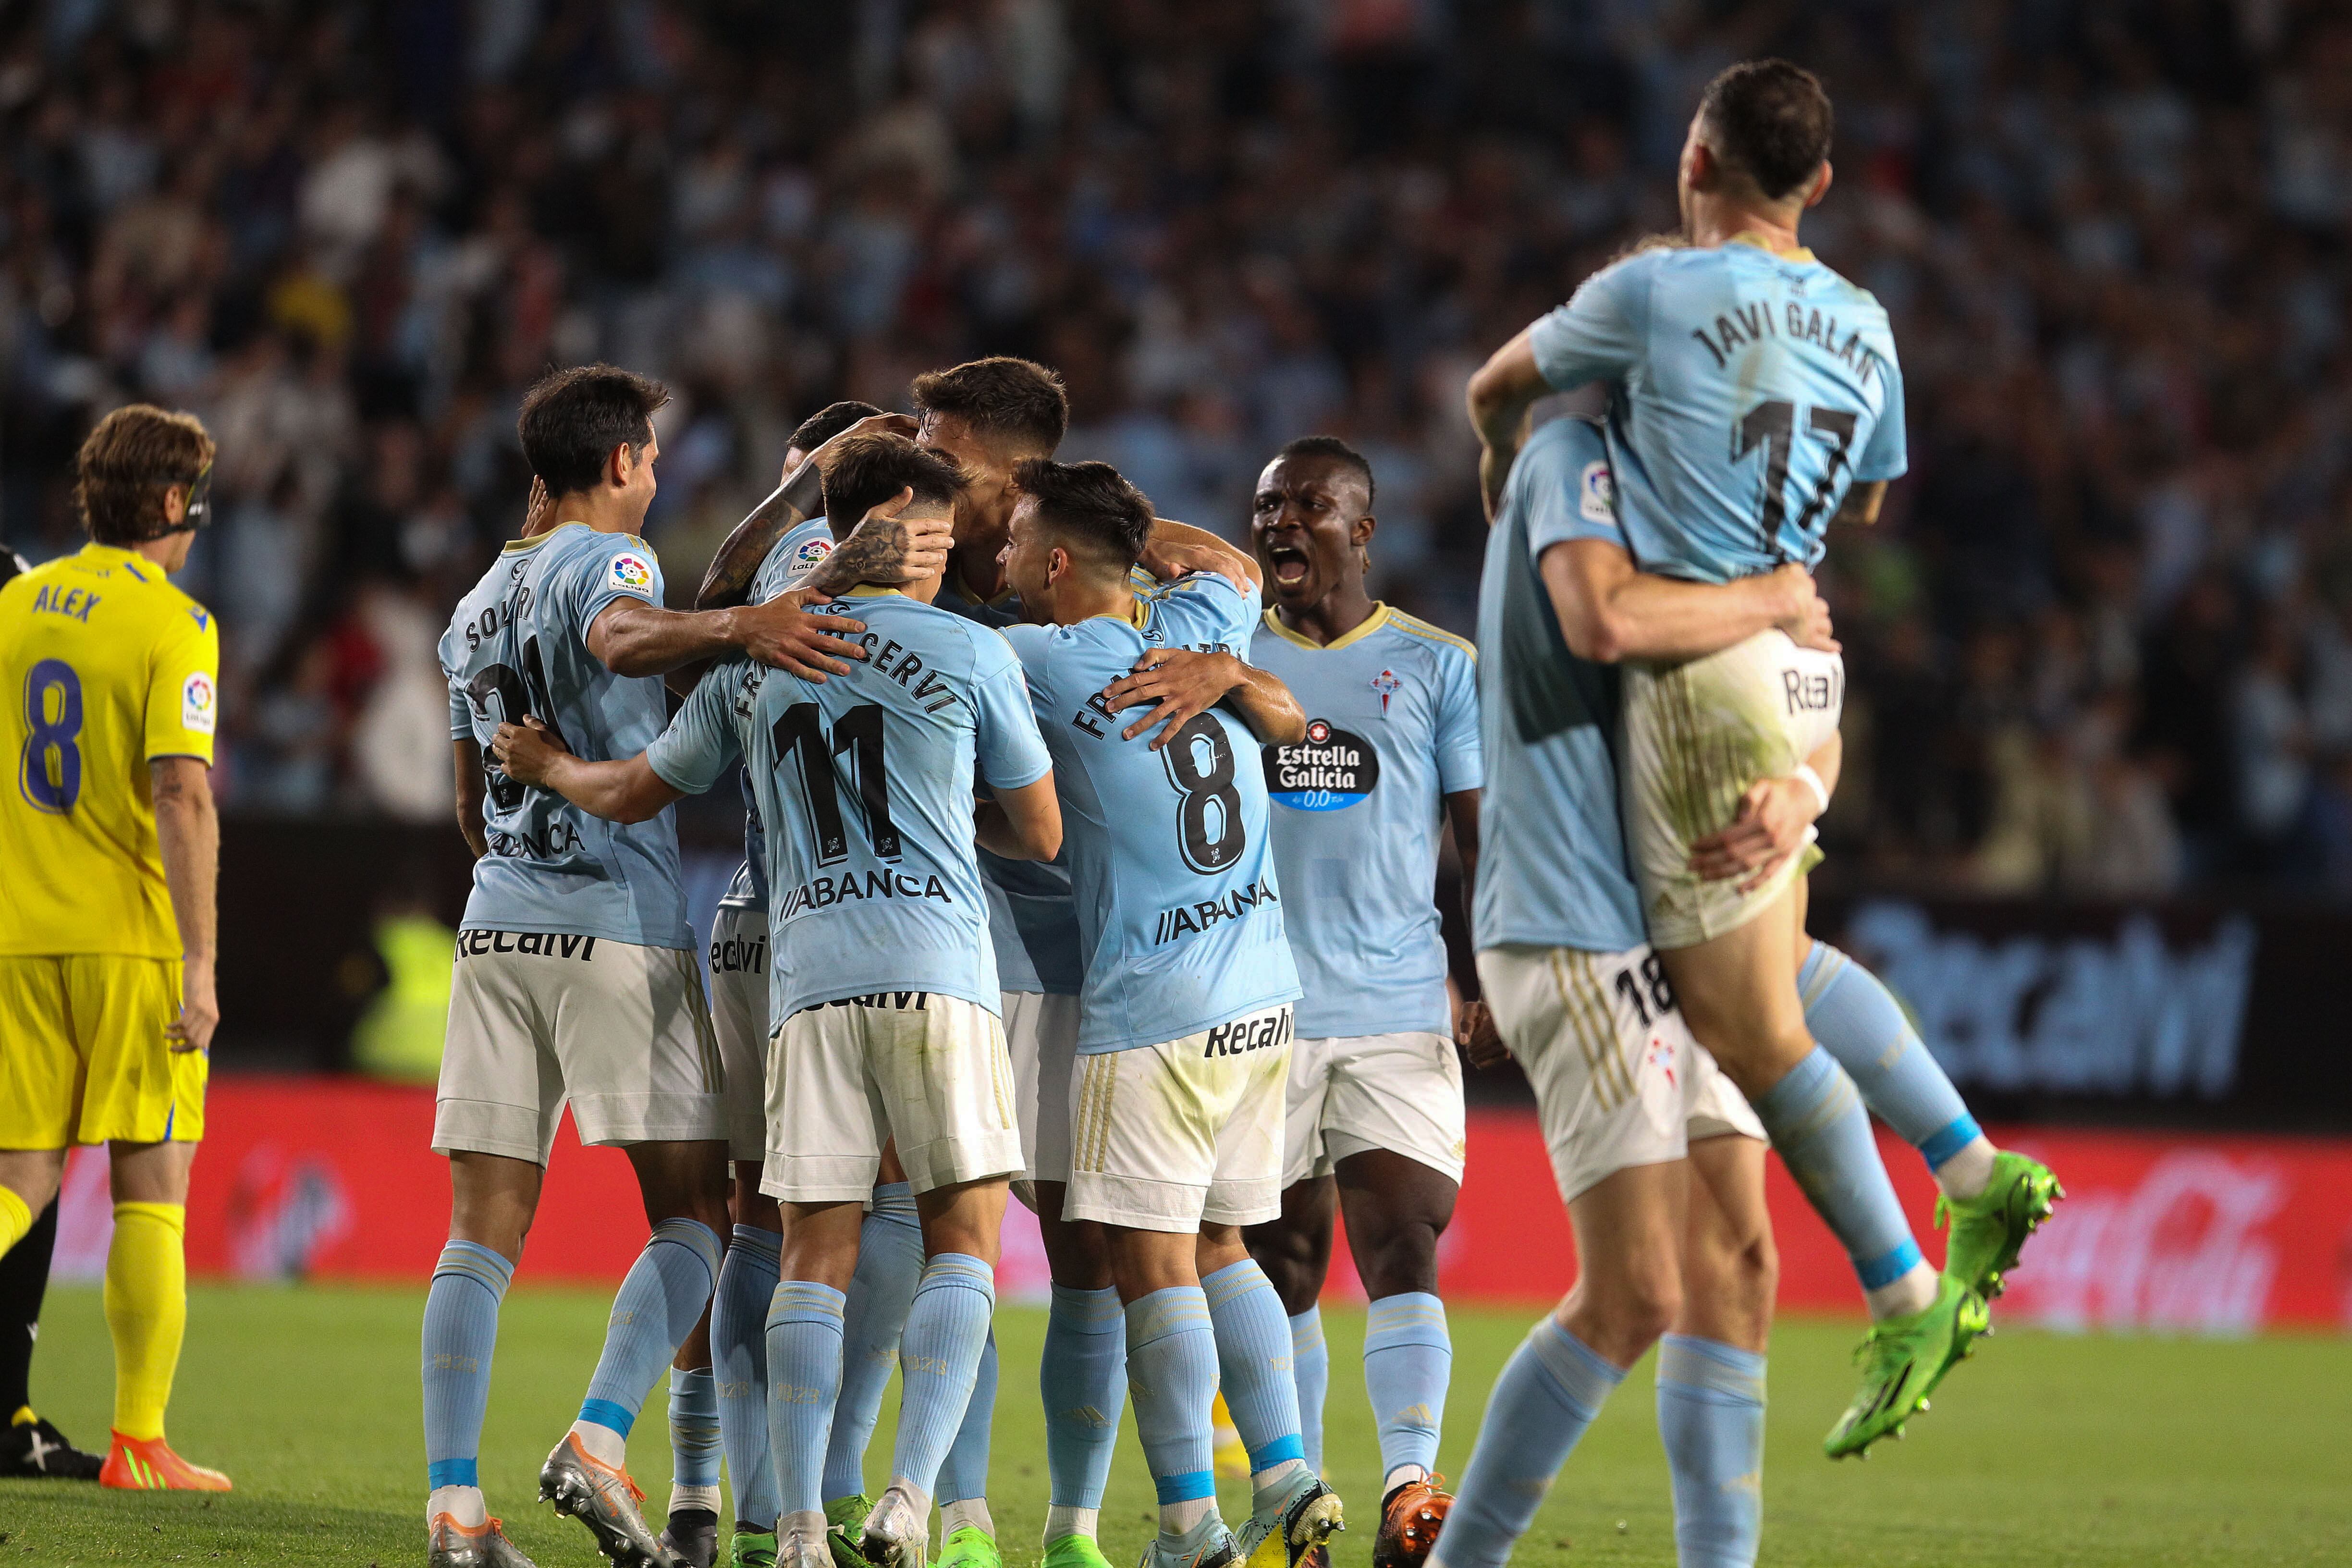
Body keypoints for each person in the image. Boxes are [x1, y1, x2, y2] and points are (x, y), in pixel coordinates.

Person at [1465, 59, 2055, 1457]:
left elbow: (1499, 386)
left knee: (1741, 1021)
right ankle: (1969, 1156)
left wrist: (1504, 456)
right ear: (1824, 185)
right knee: (1774, 963)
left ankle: (1907, 1277)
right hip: (1805, 662)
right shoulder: (1868, 318)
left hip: (1711, 659)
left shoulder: (1659, 289)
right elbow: (1866, 497)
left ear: (1697, 158)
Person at [494, 432, 1063, 1568]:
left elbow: (638, 787)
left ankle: (791, 1521)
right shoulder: (965, 650)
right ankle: (908, 1495)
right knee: (961, 1241)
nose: (953, 545)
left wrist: (549, 767)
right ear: (894, 516)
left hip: (806, 980)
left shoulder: (763, 659)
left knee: (808, 1246)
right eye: (941, 524)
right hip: (940, 972)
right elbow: (1041, 831)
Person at [422, 364, 877, 1568]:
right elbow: (625, 639)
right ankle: (598, 1437)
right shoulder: (609, 566)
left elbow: (471, 803)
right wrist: (740, 623)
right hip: (611, 924)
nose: (660, 473)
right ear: (622, 462)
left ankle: (456, 1513)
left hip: (496, 924)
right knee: (697, 1220)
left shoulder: (474, 601)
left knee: (479, 1235)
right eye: (655, 457)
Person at [996, 458, 1338, 1568]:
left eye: (1009, 541)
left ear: (1053, 565)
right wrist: (1137, 536)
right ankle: (1285, 1468)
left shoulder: (1031, 656)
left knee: (1150, 1265)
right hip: (1261, 987)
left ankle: (1191, 1522)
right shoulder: (1198, 621)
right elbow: (1230, 562)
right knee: (1224, 1239)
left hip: (1155, 1000)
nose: (994, 560)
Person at [681, 397, 958, 1568]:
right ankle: (839, 1480)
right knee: (893, 1202)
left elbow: (706, 610)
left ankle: (724, 1492)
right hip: (876, 925)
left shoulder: (790, 572)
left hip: (759, 920)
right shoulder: (854, 561)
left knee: (758, 1212)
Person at [1238, 437, 1482, 1568]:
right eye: (1268, 505)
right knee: (1282, 1263)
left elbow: (1479, 839)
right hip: (1260, 1009)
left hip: (1395, 1006)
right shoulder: (1228, 654)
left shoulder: (1440, 666)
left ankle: (1409, 1486)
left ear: (1363, 530)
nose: (1283, 521)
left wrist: (1479, 975)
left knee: (1403, 1243)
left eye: (1310, 506)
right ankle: (1301, 1507)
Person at [0, 405, 229, 1491]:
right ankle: (139, 1442)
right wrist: (201, 963)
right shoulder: (173, 624)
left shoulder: (15, 602)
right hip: (128, 941)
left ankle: (140, 1443)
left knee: (21, 1175)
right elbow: (180, 792)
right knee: (151, 1179)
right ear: (174, 504)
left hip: (16, 932)